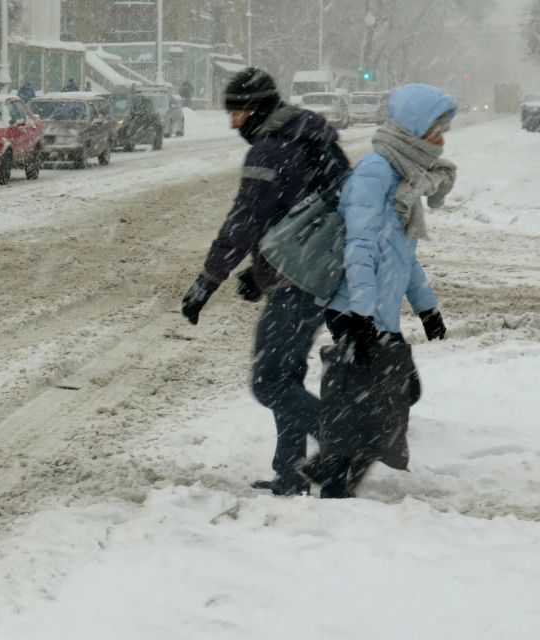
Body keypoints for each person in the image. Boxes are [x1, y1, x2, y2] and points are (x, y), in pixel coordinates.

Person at [180, 67, 350, 496]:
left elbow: (244, 223)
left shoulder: (271, 150)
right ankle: (291, 473)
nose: (232, 123)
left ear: (256, 109)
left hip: (297, 280)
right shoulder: (316, 139)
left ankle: (342, 441)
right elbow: (307, 217)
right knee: (287, 376)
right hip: (324, 274)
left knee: (269, 381)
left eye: (236, 113)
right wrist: (260, 273)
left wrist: (206, 282)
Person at [303, 83, 456, 498]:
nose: (442, 141)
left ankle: (330, 469)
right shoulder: (375, 173)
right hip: (353, 307)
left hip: (374, 309)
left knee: (384, 394)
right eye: (436, 131)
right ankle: (335, 481)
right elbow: (359, 248)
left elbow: (402, 255)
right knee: (378, 398)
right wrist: (362, 315)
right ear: (413, 129)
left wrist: (427, 307)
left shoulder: (406, 177)